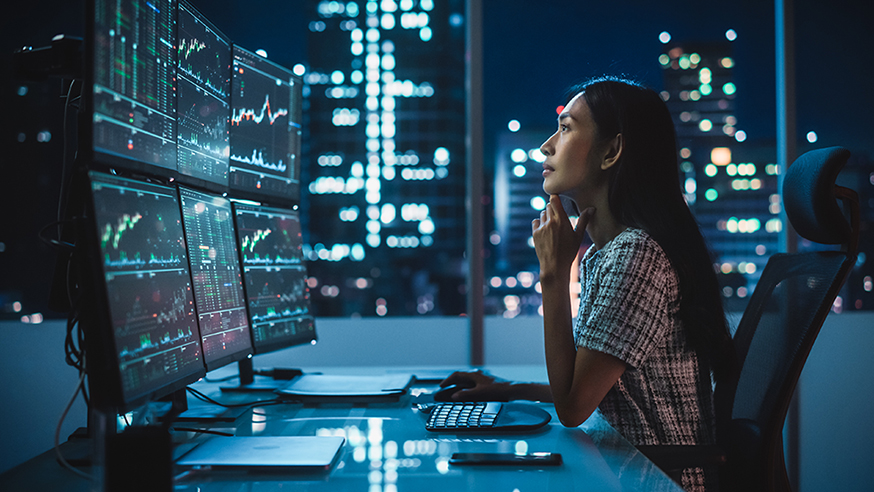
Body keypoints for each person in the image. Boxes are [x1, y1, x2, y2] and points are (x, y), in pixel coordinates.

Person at [439, 76, 735, 491]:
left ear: (611, 151)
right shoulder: (612, 252)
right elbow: (593, 386)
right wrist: (508, 389)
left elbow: (574, 405)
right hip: (625, 469)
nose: (547, 146)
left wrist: (554, 275)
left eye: (566, 128)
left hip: (653, 480)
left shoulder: (637, 256)